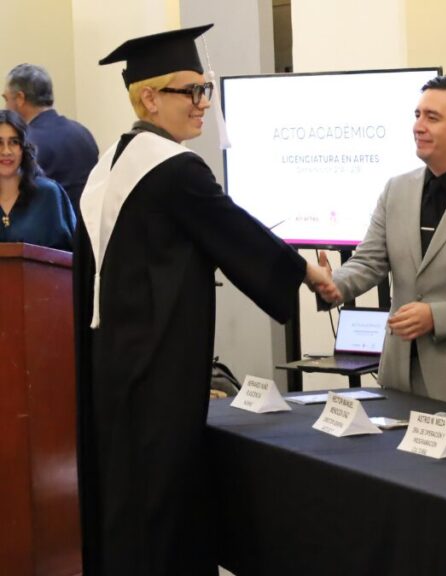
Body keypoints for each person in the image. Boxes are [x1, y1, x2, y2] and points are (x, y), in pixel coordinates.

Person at [73, 25, 339, 575]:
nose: (202, 103)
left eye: (205, 88)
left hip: (111, 367)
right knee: (162, 500)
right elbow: (232, 229)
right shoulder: (172, 168)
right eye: (190, 90)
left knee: (123, 495)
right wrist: (306, 272)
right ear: (150, 98)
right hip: (156, 369)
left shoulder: (108, 165)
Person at [319, 74, 446, 407]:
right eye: (417, 115)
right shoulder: (396, 190)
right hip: (397, 378)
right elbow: (369, 262)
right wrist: (332, 284)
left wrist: (437, 316)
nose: (418, 126)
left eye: (432, 118)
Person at [4, 63, 99, 207]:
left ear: (20, 98)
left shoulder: (24, 144)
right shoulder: (83, 133)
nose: (5, 107)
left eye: (6, 99)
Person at [0, 109, 75, 249]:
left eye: (14, 142)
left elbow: (72, 254)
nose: (6, 151)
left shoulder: (49, 194)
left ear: (23, 148)